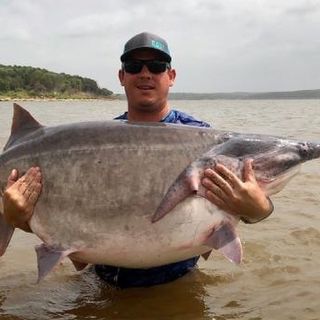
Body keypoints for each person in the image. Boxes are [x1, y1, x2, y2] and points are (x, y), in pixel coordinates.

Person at [2, 32, 273, 288]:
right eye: (134, 66)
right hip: (102, 282)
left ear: (171, 75)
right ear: (122, 76)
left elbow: (236, 204)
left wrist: (260, 210)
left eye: (156, 66)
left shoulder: (202, 138)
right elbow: (66, 215)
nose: (145, 73)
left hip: (177, 282)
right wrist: (15, 218)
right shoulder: (98, 143)